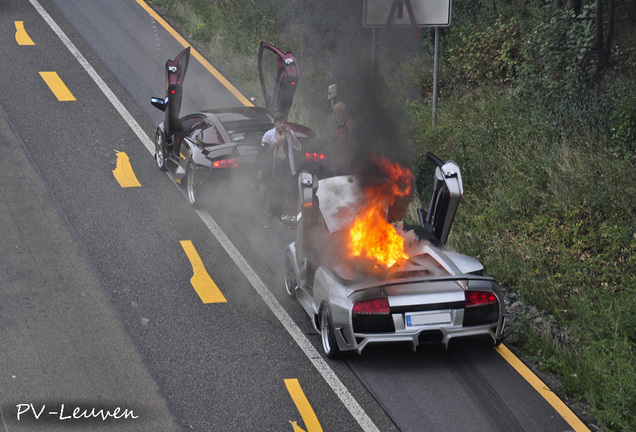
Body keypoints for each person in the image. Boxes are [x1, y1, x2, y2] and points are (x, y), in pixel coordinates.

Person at [260, 112, 302, 228]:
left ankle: (288, 221)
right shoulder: (269, 135)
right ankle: (268, 221)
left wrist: (290, 134)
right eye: (280, 123)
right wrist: (275, 144)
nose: (282, 125)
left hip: (287, 170)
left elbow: (298, 147)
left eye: (284, 122)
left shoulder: (289, 133)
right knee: (271, 196)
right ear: (275, 123)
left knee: (288, 196)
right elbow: (263, 153)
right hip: (273, 171)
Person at [330, 102, 357, 174]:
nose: (337, 115)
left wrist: (347, 164)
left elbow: (351, 146)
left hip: (345, 168)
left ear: (345, 112)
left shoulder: (349, 125)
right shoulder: (339, 127)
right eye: (335, 113)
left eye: (339, 112)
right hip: (337, 167)